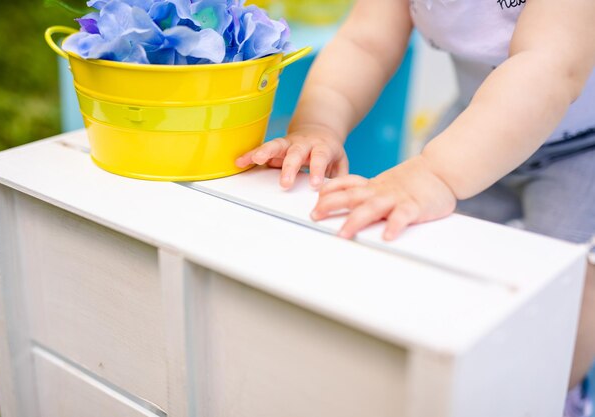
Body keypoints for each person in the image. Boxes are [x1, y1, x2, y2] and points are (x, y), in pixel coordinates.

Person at [235, 0, 595, 414]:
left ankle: (549, 398)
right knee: (430, 247)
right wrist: (319, 125)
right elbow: (365, 43)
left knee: (572, 285)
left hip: (583, 147)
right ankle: (443, 373)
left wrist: (437, 173)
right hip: (479, 123)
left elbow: (550, 67)